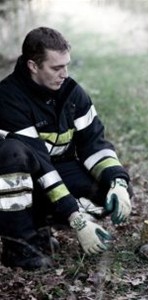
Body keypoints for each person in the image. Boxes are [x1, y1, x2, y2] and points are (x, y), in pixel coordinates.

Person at [0, 27, 133, 270]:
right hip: (20, 176)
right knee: (12, 153)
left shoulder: (72, 93)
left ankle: (40, 229)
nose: (65, 74)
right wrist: (76, 217)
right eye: (56, 68)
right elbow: (41, 166)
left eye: (66, 65)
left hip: (55, 170)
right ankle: (18, 245)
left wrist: (119, 182)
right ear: (33, 66)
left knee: (109, 194)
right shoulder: (8, 97)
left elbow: (95, 144)